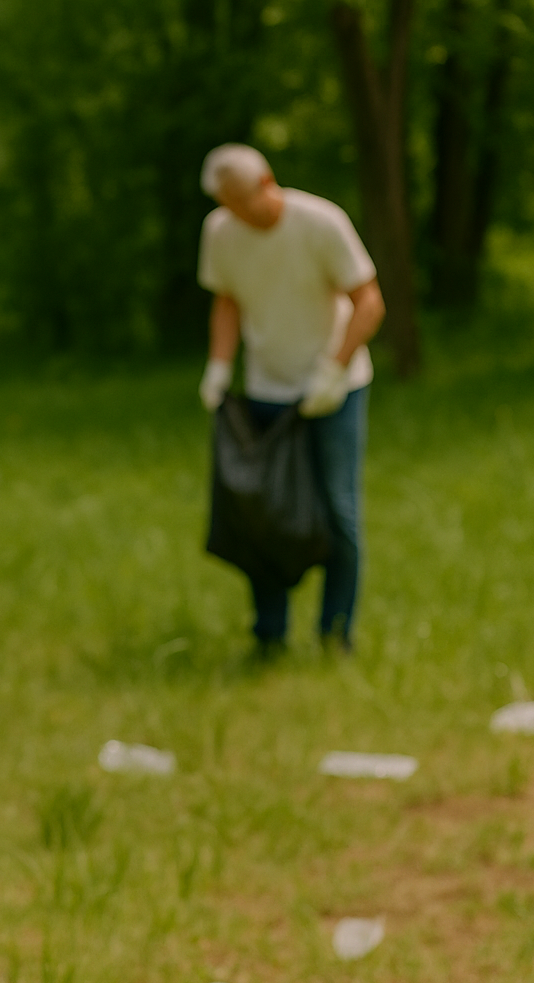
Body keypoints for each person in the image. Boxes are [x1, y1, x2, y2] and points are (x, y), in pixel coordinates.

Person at [196, 143, 385, 656]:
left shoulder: (320, 223)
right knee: (264, 514)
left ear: (267, 183)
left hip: (334, 389)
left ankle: (335, 634)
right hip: (267, 388)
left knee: (338, 512)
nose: (237, 215)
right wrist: (219, 366)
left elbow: (369, 301)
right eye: (227, 206)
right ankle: (270, 634)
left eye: (243, 202)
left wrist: (334, 367)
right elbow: (228, 300)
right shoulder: (221, 233)